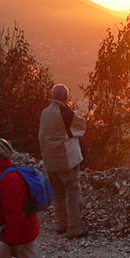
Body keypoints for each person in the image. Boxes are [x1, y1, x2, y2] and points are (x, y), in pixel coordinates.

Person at [38, 84, 88, 239]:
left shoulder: (45, 112)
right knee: (72, 193)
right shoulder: (66, 113)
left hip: (49, 159)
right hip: (66, 160)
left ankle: (61, 224)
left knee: (58, 194)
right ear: (66, 97)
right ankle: (74, 228)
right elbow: (81, 127)